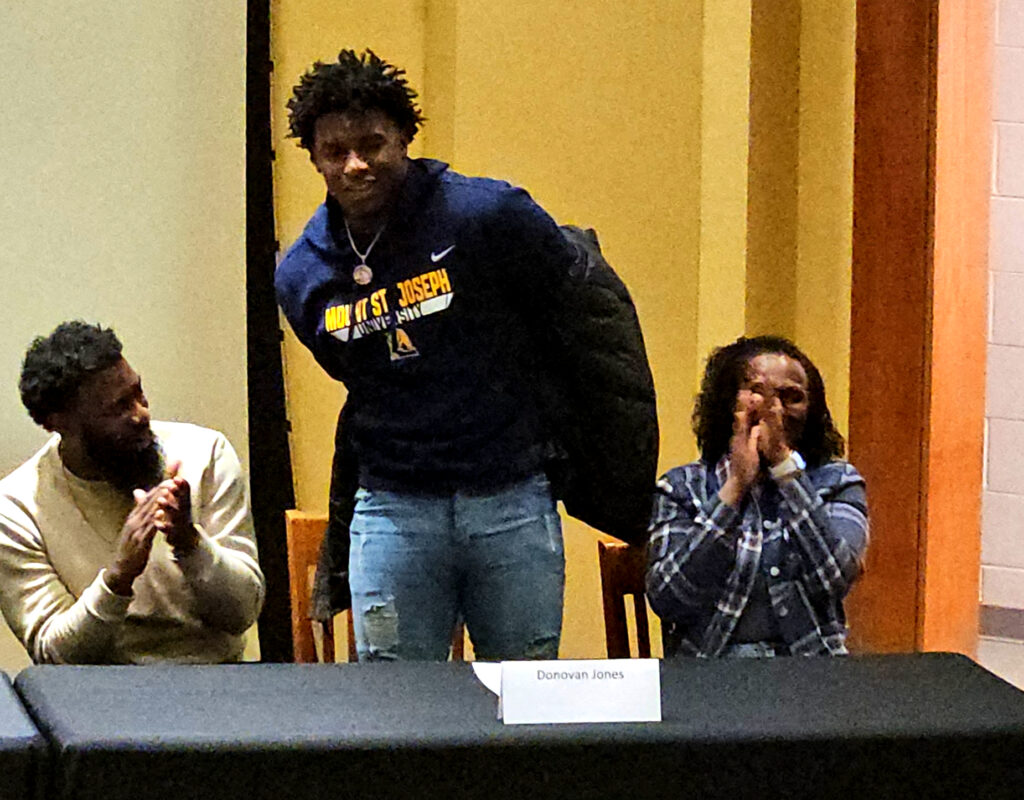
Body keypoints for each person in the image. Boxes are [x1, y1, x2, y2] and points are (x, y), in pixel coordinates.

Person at [275, 50, 657, 661]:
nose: (355, 165)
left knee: (525, 695)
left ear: (404, 136)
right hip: (391, 506)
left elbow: (576, 308)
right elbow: (360, 375)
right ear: (314, 157)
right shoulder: (302, 273)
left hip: (510, 496)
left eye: (372, 143)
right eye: (335, 151)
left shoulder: (488, 215)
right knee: (394, 710)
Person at [0, 321, 265, 664]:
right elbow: (55, 656)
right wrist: (118, 577)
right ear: (58, 423)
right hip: (100, 698)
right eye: (117, 408)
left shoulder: (204, 453)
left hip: (215, 679)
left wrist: (190, 543)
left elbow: (242, 613)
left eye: (138, 393)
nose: (141, 415)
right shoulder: (16, 507)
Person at [646, 335, 868, 657]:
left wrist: (783, 467)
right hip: (711, 674)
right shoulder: (681, 487)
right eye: (757, 393)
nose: (774, 409)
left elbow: (833, 577)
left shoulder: (837, 481)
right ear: (727, 403)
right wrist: (734, 488)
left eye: (791, 397)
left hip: (811, 674)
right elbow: (669, 597)